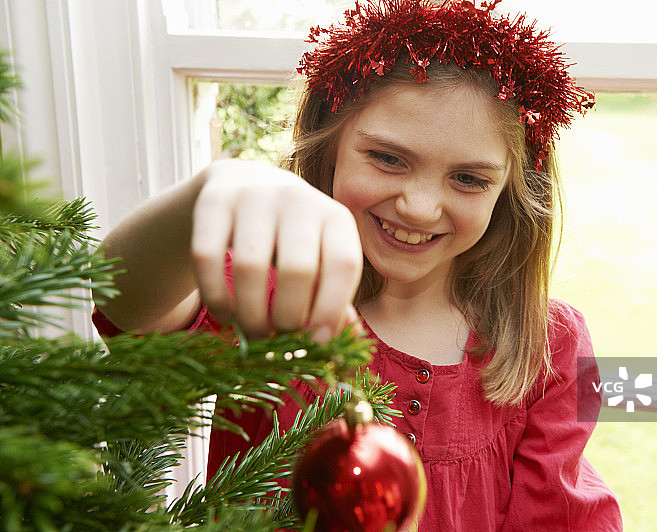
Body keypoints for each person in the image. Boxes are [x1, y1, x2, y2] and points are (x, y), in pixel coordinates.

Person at [93, 0, 623, 529]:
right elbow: (125, 303)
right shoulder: (273, 294)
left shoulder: (548, 345)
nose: (419, 205)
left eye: (468, 179)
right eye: (389, 158)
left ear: (509, 189)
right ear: (331, 147)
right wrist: (205, 197)